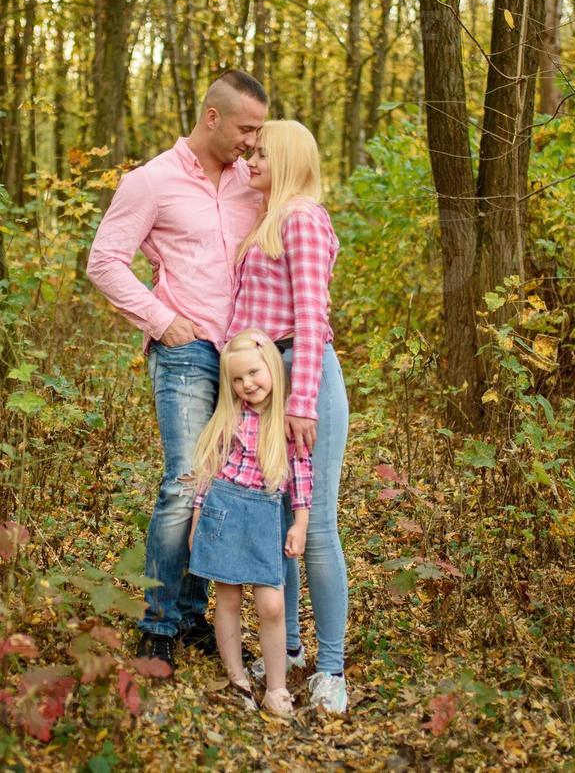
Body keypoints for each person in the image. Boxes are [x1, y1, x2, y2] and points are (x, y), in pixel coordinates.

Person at [86, 70, 268, 670]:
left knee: (219, 486)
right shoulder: (151, 182)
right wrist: (162, 321)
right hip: (186, 348)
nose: (252, 141)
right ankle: (160, 622)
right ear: (212, 117)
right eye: (246, 128)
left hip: (245, 356)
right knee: (184, 481)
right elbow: (105, 260)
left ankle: (194, 619)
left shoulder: (253, 181)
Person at [227, 119, 351, 714]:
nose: (249, 160)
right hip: (268, 382)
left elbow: (312, 316)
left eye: (260, 153)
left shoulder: (302, 217)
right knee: (281, 525)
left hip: (305, 377)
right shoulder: (266, 220)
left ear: (289, 158)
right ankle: (292, 648)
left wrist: (300, 403)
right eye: (248, 152)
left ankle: (331, 669)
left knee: (317, 524)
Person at [186, 329, 311, 715]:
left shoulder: (287, 421)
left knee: (271, 603)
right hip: (223, 508)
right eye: (237, 379)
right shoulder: (230, 417)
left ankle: (276, 688)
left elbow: (303, 473)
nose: (247, 384)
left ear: (272, 366)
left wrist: (300, 523)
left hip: (263, 514)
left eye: (254, 373)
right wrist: (196, 521)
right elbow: (208, 471)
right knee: (228, 597)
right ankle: (238, 679)